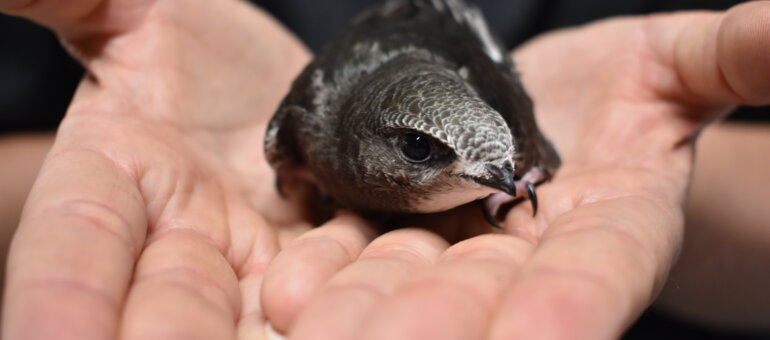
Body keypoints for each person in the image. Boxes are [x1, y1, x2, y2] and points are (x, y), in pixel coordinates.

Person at [0, 0, 768, 339]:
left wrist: (524, 168)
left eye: (497, 161)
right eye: (428, 153)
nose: (500, 177)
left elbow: (505, 155)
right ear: (362, 150)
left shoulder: (504, 139)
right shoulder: (305, 126)